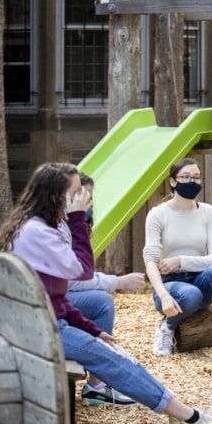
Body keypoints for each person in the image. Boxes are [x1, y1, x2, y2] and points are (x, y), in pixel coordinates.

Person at [0, 162, 212, 424]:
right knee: (113, 359)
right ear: (56, 195)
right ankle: (188, 417)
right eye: (77, 192)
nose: (84, 198)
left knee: (111, 351)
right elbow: (83, 270)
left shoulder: (33, 226)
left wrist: (91, 328)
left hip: (37, 322)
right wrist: (77, 218)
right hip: (38, 330)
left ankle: (182, 414)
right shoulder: (38, 233)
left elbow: (55, 297)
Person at [143, 158, 212, 362]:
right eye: (186, 177)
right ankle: (167, 327)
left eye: (196, 177)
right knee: (190, 295)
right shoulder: (157, 215)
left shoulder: (208, 212)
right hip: (169, 284)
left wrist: (179, 260)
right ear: (173, 182)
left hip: (201, 280)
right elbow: (150, 261)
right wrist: (162, 295)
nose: (192, 181)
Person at [65, 172, 147, 406]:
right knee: (102, 302)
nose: (87, 203)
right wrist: (118, 282)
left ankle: (99, 381)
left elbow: (81, 274)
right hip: (46, 300)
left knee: (99, 300)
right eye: (82, 195)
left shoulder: (75, 225)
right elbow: (75, 279)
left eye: (89, 198)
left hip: (55, 297)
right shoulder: (61, 228)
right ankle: (97, 385)